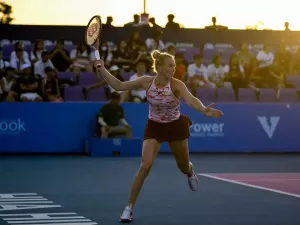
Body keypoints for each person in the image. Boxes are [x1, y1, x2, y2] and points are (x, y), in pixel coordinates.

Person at [93, 39, 224, 223]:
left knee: (183, 166)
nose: (173, 68)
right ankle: (128, 208)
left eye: (174, 65)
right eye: (170, 66)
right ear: (160, 67)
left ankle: (190, 172)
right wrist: (102, 69)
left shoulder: (177, 84)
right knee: (145, 165)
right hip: (154, 127)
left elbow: (191, 99)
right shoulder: (146, 82)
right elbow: (119, 86)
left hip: (176, 126)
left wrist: (203, 109)